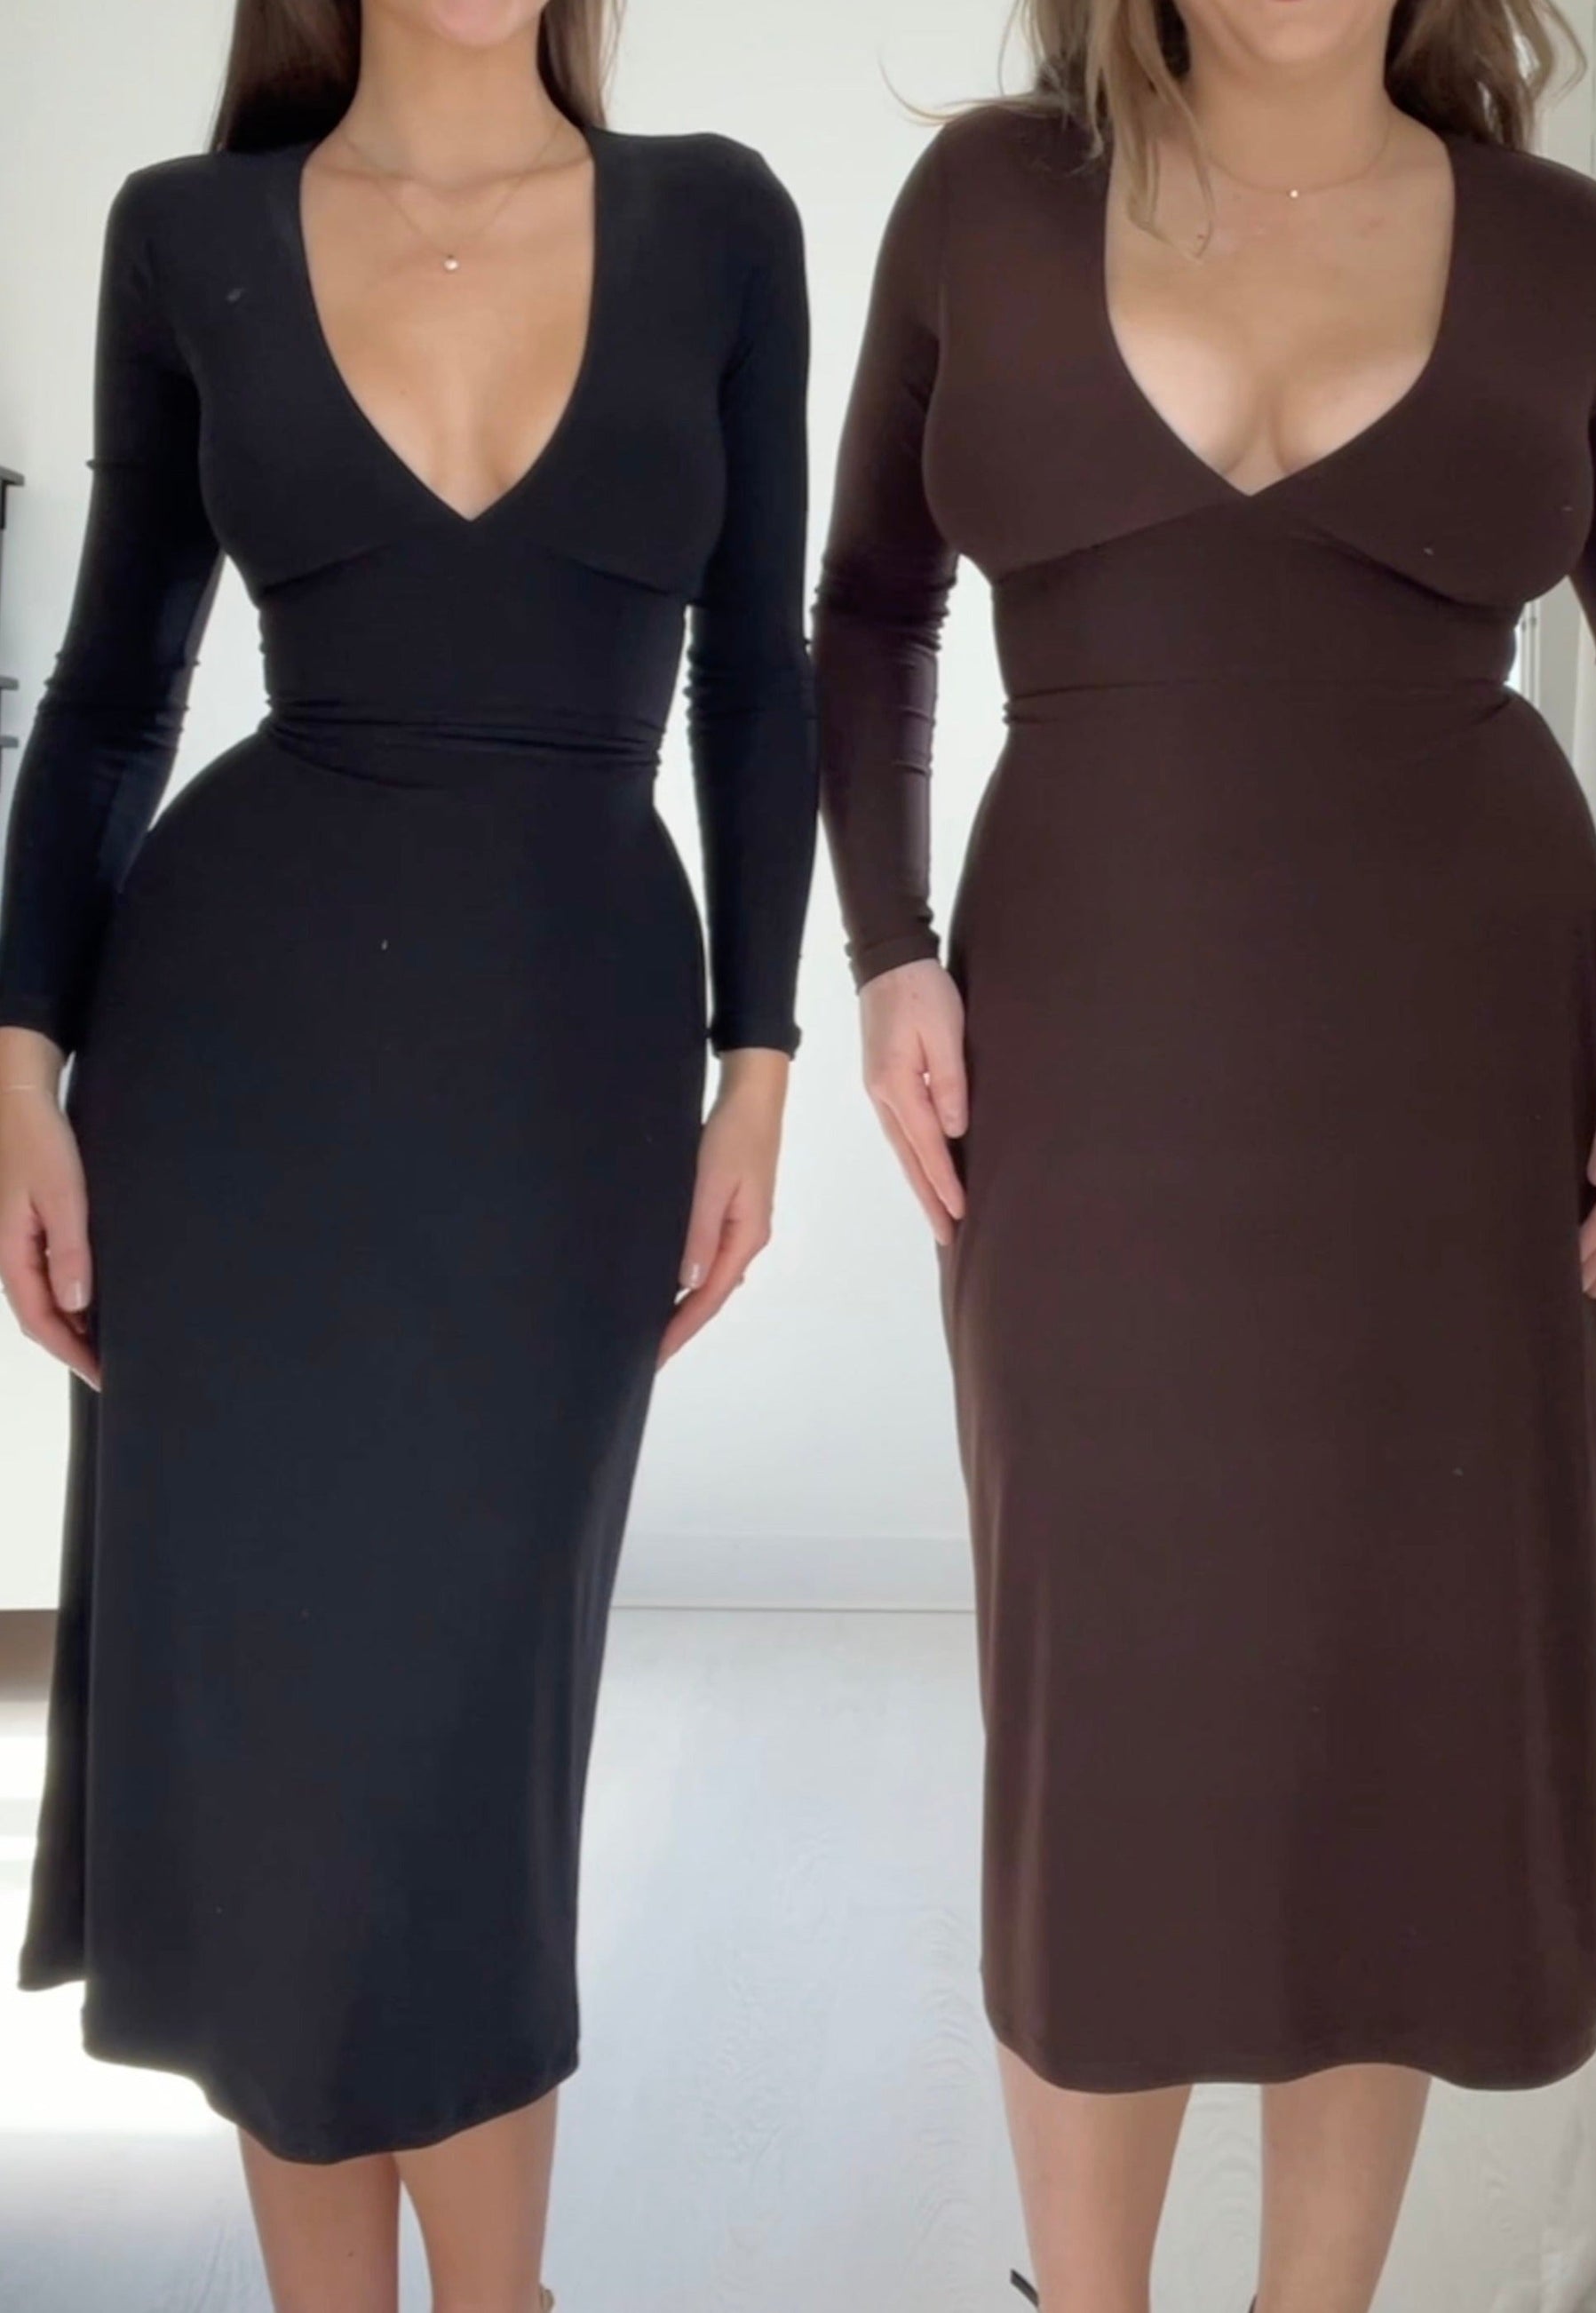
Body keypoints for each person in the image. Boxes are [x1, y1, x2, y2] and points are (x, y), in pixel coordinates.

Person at [814, 0, 1596, 2305]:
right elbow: (870, 606)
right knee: (1105, 1712)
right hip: (1087, 1054)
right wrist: (889, 948)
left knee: (1394, 1707)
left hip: (1466, 1083)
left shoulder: (1570, 257)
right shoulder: (984, 209)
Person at [0, 1, 814, 2306]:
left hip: (567, 1063)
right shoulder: (192, 232)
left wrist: (759, 1062)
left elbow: (754, 673)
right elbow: (118, 688)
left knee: (470, 1744)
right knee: (279, 1752)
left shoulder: (715, 224)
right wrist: (20, 1059)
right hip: (232, 1075)